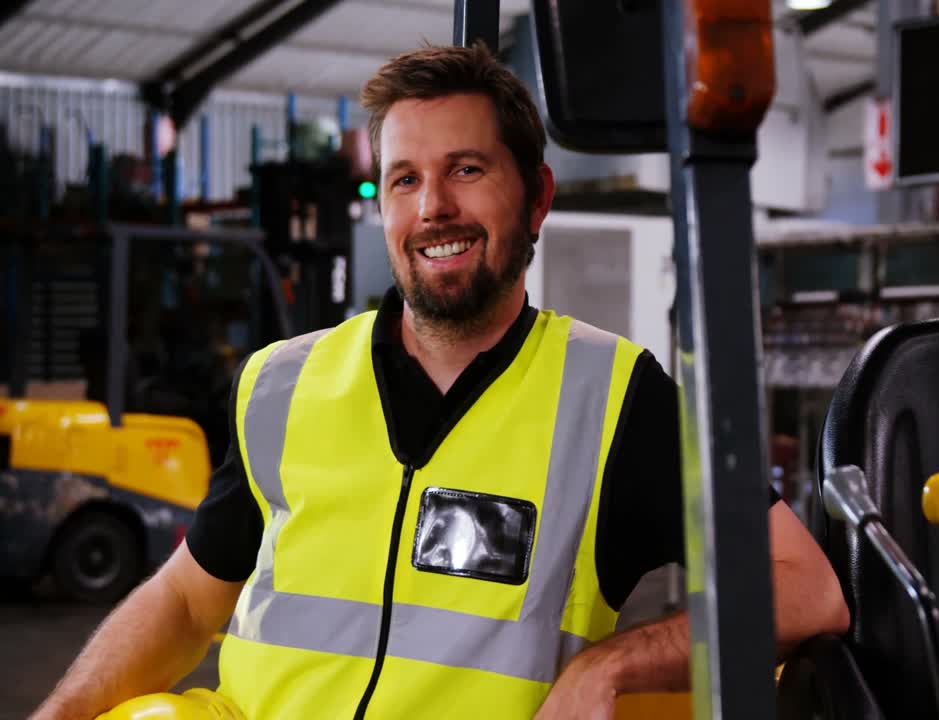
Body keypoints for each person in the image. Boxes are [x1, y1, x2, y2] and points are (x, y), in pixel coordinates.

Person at [34, 44, 848, 720]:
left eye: (466, 169)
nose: (432, 207)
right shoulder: (284, 383)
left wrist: (612, 666)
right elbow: (184, 604)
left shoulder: (612, 401)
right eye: (404, 179)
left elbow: (808, 591)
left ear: (535, 199)